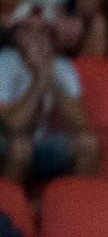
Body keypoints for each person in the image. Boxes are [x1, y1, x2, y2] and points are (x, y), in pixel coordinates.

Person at [0, 13, 98, 183]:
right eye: (28, 30)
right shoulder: (4, 62)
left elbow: (81, 122)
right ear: (17, 36)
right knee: (19, 146)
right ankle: (10, 206)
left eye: (43, 30)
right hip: (8, 143)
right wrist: (38, 80)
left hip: (47, 141)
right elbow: (13, 125)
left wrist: (51, 77)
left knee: (88, 142)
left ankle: (78, 205)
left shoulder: (63, 66)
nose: (36, 36)